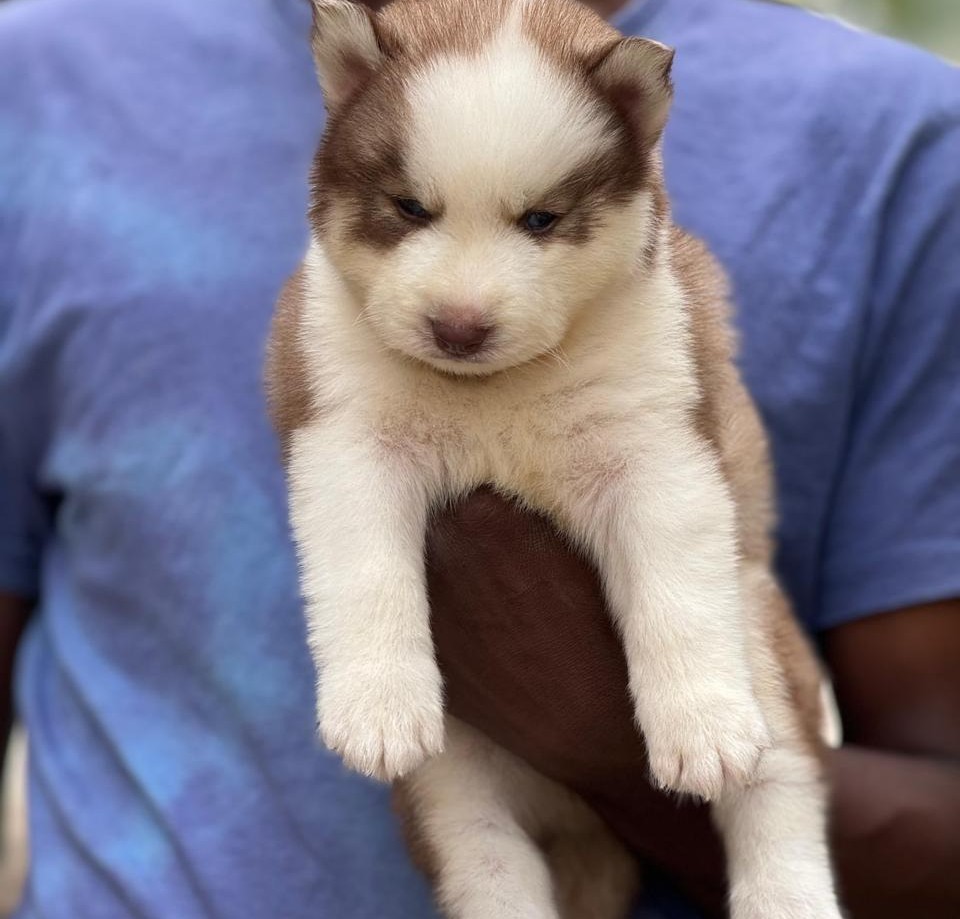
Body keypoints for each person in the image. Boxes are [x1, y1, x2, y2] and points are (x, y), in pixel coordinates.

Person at [0, 0, 958, 916]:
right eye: (411, 211)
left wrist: (612, 739)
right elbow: (354, 459)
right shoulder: (35, 82)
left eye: (538, 224)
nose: (463, 305)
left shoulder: (897, 142)